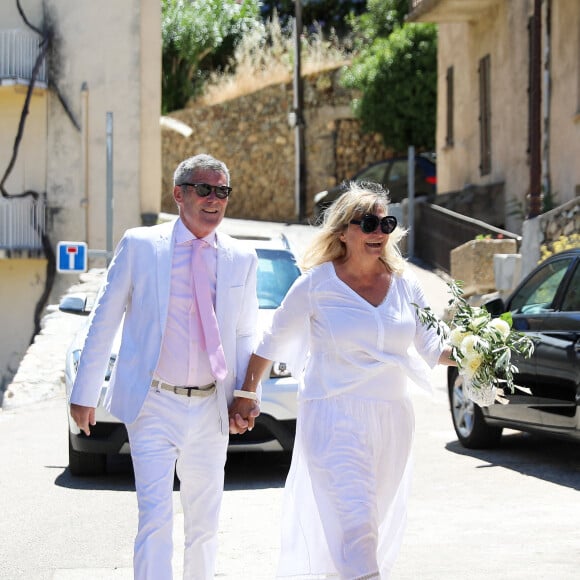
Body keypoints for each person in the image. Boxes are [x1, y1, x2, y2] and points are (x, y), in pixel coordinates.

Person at [230, 182, 456, 579]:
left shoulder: (406, 286)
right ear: (343, 231)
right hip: (333, 417)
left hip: (391, 421)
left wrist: (480, 354)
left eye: (385, 223)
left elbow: (433, 348)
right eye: (368, 223)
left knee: (369, 526)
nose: (378, 232)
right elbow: (270, 343)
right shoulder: (316, 285)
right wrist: (247, 392)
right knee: (356, 527)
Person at [69, 153, 260, 580]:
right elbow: (105, 317)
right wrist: (83, 394)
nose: (214, 200)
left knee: (205, 523)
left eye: (222, 191)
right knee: (155, 518)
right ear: (179, 194)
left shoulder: (242, 258)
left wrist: (247, 396)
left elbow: (247, 334)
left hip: (211, 407)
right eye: (204, 189)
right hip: (153, 402)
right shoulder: (140, 246)